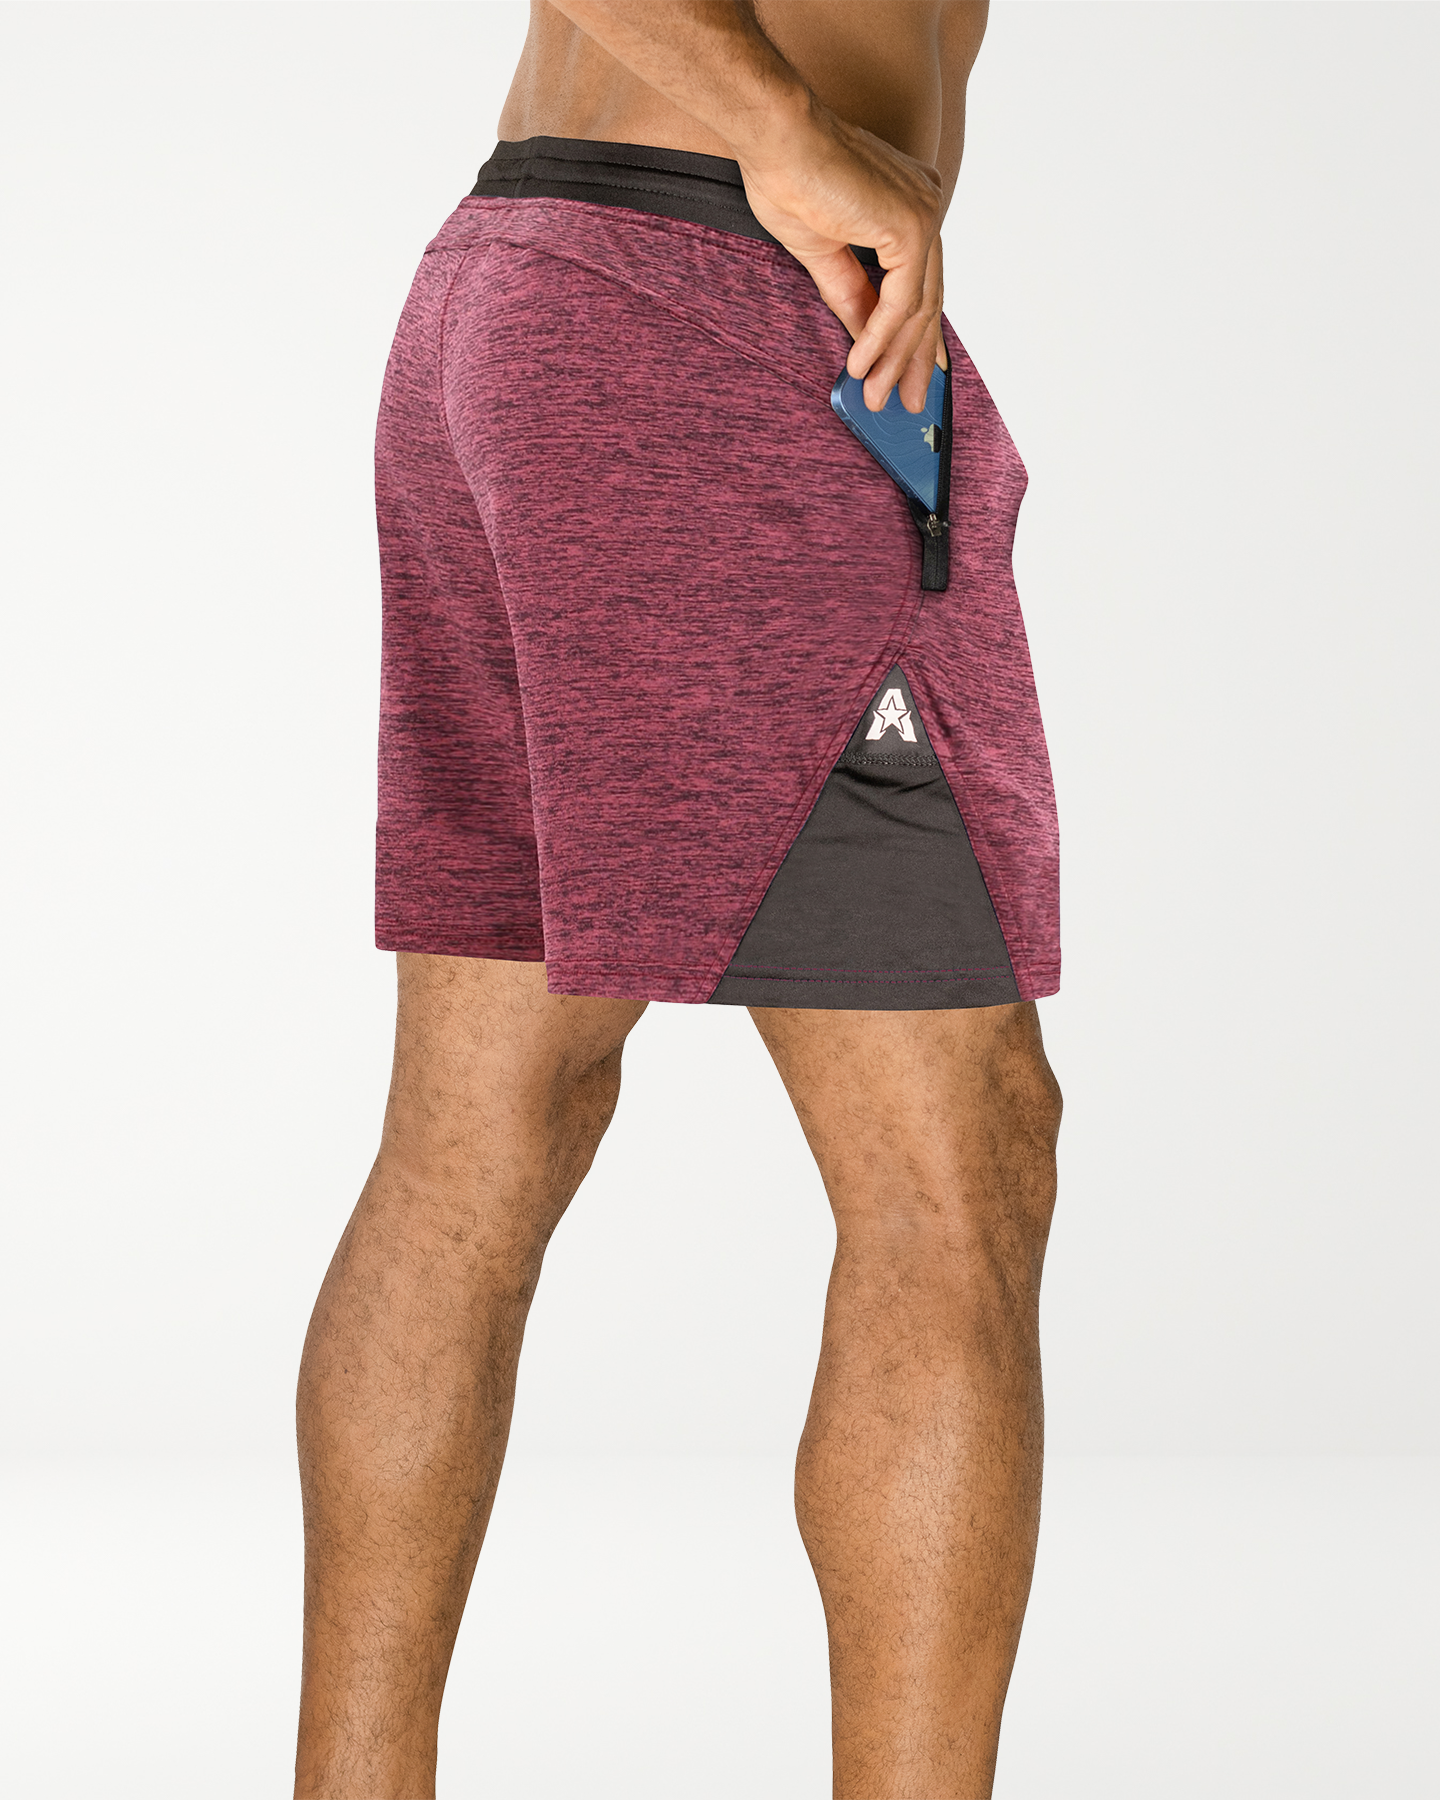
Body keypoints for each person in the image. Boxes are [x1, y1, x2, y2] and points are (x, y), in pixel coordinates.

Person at [295, 2, 1061, 1795]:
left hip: (521, 277)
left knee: (483, 1133)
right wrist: (782, 126)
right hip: (712, 306)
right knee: (958, 1163)